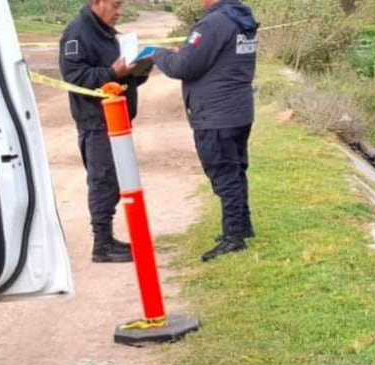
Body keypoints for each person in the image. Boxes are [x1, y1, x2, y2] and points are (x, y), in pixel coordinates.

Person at [152, 0, 259, 262]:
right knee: (236, 170)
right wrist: (184, 53)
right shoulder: (239, 17)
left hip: (216, 114)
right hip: (238, 110)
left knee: (224, 174)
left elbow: (183, 66)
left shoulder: (214, 23)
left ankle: (233, 237)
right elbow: (210, 58)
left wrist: (157, 54)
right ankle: (241, 225)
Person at [60, 0, 153, 263]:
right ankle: (101, 245)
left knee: (114, 182)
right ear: (97, 3)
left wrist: (140, 70)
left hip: (118, 121)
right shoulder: (77, 33)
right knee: (102, 182)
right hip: (96, 122)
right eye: (114, 5)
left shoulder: (107, 33)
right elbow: (76, 78)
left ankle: (107, 239)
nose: (119, 12)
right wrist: (113, 71)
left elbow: (119, 79)